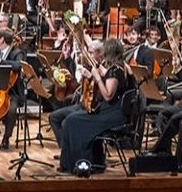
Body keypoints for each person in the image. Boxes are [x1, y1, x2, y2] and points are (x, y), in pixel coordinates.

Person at [54, 37, 129, 174]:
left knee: (72, 121)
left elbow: (108, 95)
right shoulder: (122, 67)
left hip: (114, 115)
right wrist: (96, 72)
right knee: (74, 119)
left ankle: (81, 163)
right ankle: (91, 161)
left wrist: (97, 77)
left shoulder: (115, 71)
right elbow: (109, 76)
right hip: (113, 111)